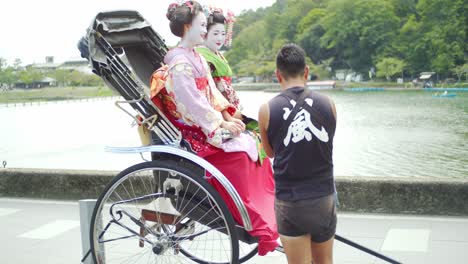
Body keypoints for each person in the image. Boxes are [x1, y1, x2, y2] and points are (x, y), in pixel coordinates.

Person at [152, 1, 279, 255]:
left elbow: (212, 94)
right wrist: (219, 125)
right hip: (194, 129)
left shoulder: (196, 56)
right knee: (241, 154)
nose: (204, 30)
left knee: (254, 142)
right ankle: (250, 216)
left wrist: (228, 117)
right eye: (201, 26)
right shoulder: (179, 64)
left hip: (208, 121)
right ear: (187, 27)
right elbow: (193, 105)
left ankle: (271, 210)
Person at [258, 43, 337, 264]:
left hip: (290, 204)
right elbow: (325, 145)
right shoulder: (329, 104)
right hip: (323, 198)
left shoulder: (266, 110)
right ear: (307, 71)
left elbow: (270, 152)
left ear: (277, 75)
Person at [195, 7, 241, 110]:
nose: (220, 38)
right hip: (215, 106)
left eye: (223, 34)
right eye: (215, 33)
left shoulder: (217, 54)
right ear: (205, 33)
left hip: (226, 102)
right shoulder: (202, 56)